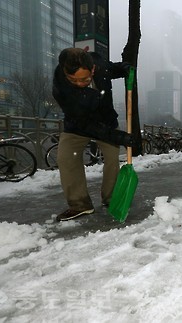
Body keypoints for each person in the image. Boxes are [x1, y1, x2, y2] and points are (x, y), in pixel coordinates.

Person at [52, 47, 136, 221]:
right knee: (66, 157)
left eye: (84, 79)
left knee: (112, 159)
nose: (79, 83)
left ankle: (110, 198)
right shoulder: (61, 85)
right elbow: (84, 124)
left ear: (93, 69)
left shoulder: (98, 62)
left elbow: (111, 69)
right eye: (73, 79)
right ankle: (79, 204)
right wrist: (119, 137)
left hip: (106, 120)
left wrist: (124, 68)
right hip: (78, 124)